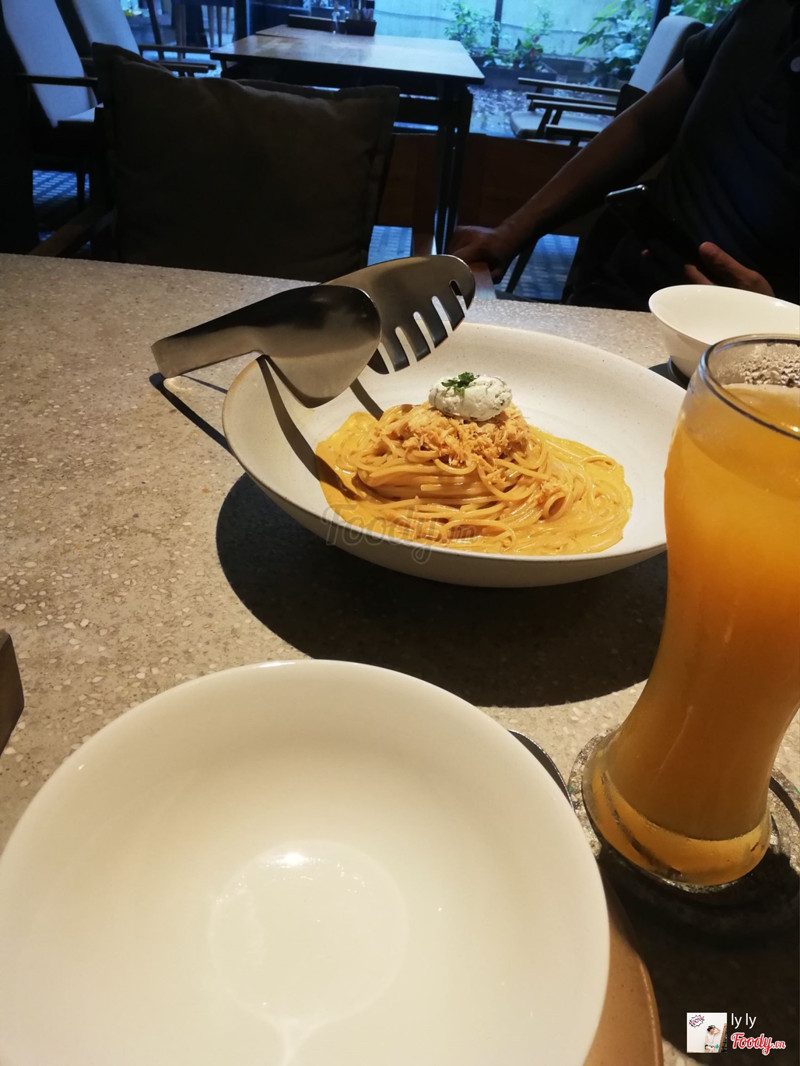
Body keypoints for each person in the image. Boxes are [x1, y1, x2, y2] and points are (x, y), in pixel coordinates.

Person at [449, 0, 800, 310]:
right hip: (619, 296)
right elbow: (646, 125)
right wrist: (510, 232)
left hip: (752, 344)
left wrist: (779, 322)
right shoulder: (766, 11)